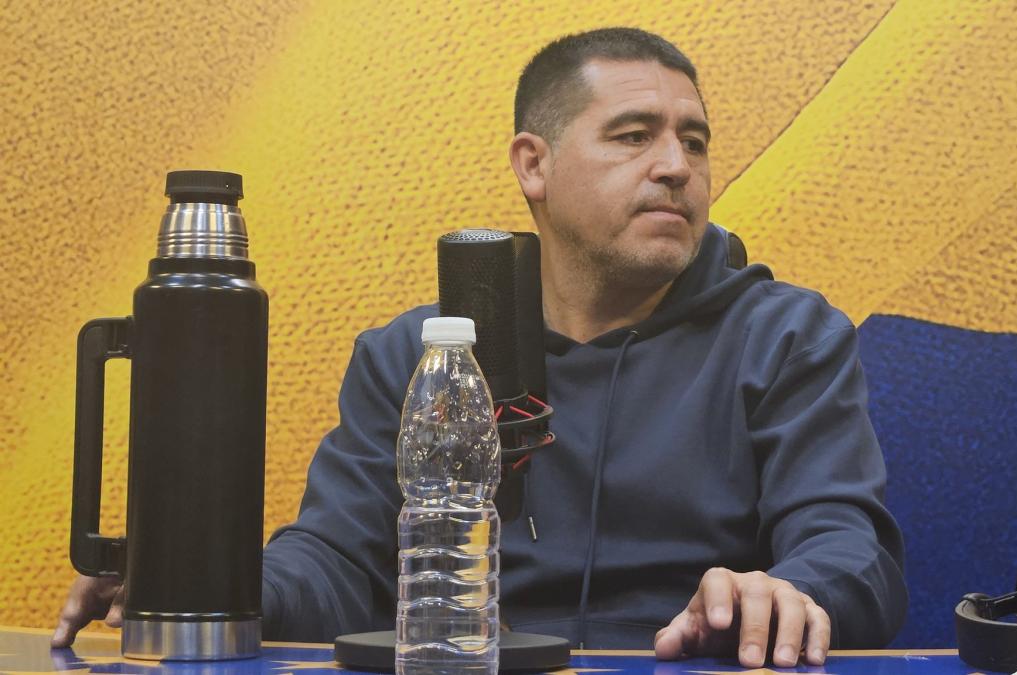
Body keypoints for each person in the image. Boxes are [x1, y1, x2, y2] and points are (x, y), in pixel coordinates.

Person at [53, 27, 906, 668]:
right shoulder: (413, 354)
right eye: (633, 134)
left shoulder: (786, 335)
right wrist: (204, 580)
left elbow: (852, 551)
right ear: (533, 165)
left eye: (695, 140)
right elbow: (336, 564)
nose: (676, 166)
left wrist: (792, 593)